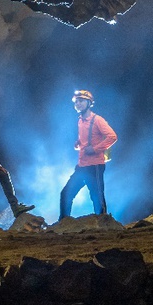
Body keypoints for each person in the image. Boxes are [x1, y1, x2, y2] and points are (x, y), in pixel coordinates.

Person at [59, 88, 117, 220]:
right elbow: (88, 138)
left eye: (81, 101)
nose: (77, 104)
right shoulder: (80, 120)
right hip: (82, 165)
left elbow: (112, 136)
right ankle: (63, 223)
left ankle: (104, 225)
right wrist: (79, 143)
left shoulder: (98, 120)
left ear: (89, 103)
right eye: (76, 102)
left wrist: (95, 149)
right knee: (66, 193)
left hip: (95, 166)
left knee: (97, 198)